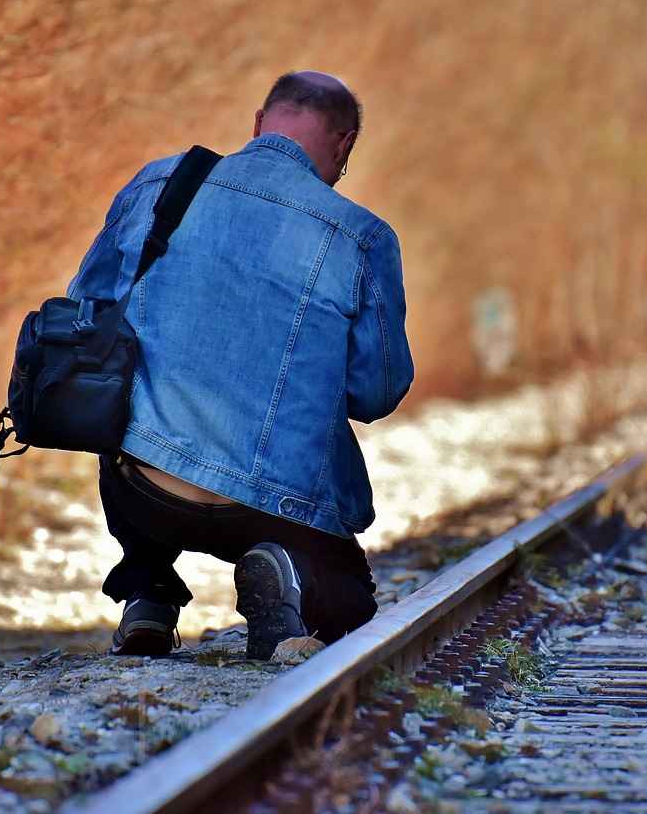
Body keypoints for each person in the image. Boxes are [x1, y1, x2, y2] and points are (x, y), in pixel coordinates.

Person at [65, 71, 414, 660]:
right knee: (349, 609)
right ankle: (281, 572)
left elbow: (86, 313)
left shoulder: (159, 185)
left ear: (259, 123)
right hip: (275, 507)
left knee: (129, 403)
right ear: (345, 145)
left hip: (144, 488)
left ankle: (147, 591)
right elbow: (376, 392)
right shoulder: (360, 237)